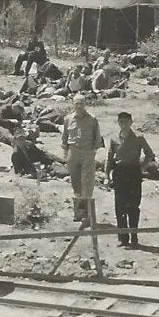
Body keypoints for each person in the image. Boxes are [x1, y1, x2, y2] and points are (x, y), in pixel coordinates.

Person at [105, 111, 156, 247]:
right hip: (119, 173)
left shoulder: (138, 137)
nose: (124, 125)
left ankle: (134, 237)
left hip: (134, 172)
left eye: (126, 122)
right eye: (121, 122)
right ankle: (123, 238)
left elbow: (150, 153)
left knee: (133, 205)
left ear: (131, 122)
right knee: (120, 206)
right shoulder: (114, 139)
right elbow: (110, 158)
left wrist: (142, 168)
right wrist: (106, 176)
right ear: (118, 123)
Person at [61, 94, 103, 224]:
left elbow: (97, 138)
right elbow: (64, 137)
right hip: (73, 152)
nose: (79, 106)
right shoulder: (68, 119)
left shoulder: (92, 119)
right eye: (76, 103)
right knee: (75, 183)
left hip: (87, 152)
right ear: (73, 104)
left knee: (87, 183)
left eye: (81, 103)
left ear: (85, 104)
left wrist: (92, 152)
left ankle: (88, 215)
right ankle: (78, 213)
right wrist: (65, 153)